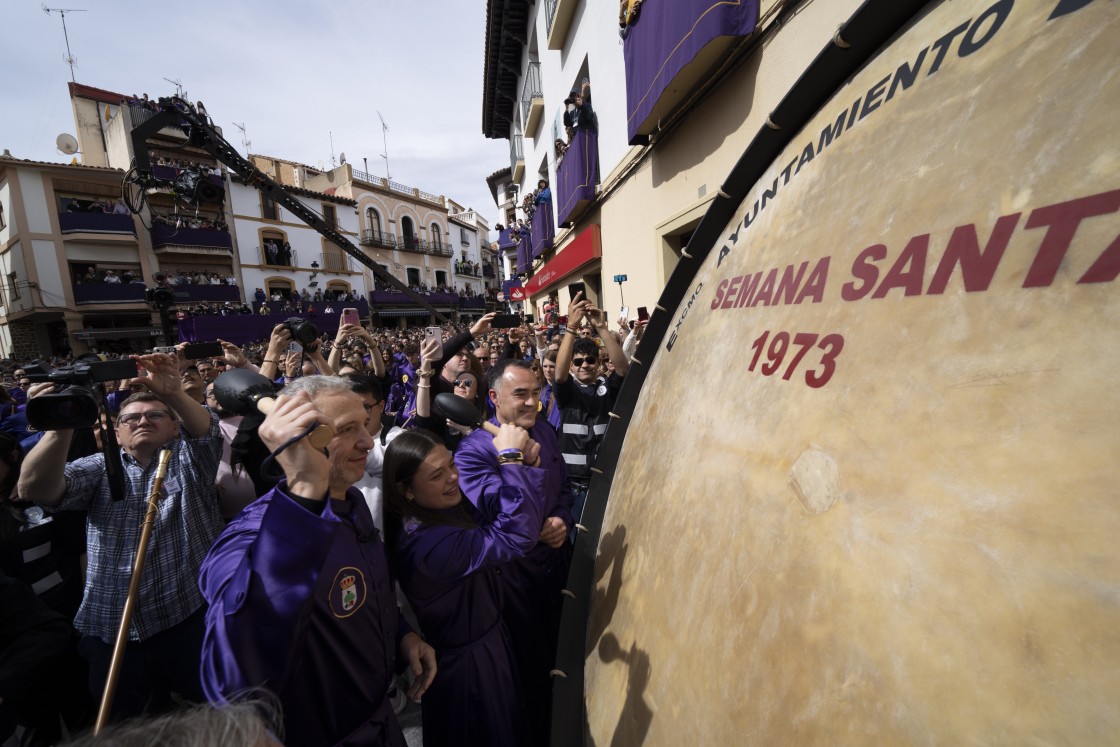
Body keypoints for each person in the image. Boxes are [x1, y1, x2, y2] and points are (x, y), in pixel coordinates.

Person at [198, 376, 436, 747]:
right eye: (345, 430)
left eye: (364, 424)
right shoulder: (258, 533)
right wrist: (305, 487)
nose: (367, 441)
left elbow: (365, 594)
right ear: (299, 436)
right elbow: (231, 669)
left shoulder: (353, 507)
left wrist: (402, 635)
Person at [16, 353, 225, 722]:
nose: (142, 420)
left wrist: (174, 394)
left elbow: (207, 431)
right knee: (127, 727)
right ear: (117, 432)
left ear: (174, 428)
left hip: (184, 620)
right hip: (111, 630)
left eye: (155, 415)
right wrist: (61, 421)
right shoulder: (98, 468)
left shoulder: (189, 460)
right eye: (131, 418)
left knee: (210, 716)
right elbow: (35, 487)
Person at [383, 427, 549, 746]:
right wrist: (511, 459)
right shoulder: (427, 546)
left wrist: (524, 468)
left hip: (486, 650)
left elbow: (504, 514)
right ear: (407, 491)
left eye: (451, 465)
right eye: (436, 475)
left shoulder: (440, 513)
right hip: (470, 672)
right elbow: (515, 536)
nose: (452, 477)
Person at [456, 359, 574, 744]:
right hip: (511, 586)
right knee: (527, 678)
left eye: (535, 393)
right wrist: (520, 462)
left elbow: (563, 489)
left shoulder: (546, 431)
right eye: (520, 394)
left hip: (557, 569)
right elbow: (501, 514)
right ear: (493, 397)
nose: (531, 403)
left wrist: (560, 520)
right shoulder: (472, 453)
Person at [554, 292, 629, 528]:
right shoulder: (567, 393)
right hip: (572, 486)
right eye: (577, 362)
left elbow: (622, 369)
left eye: (589, 360)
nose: (584, 364)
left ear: (599, 363)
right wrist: (572, 327)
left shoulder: (607, 388)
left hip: (604, 482)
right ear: (572, 367)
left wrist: (601, 327)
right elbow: (559, 373)